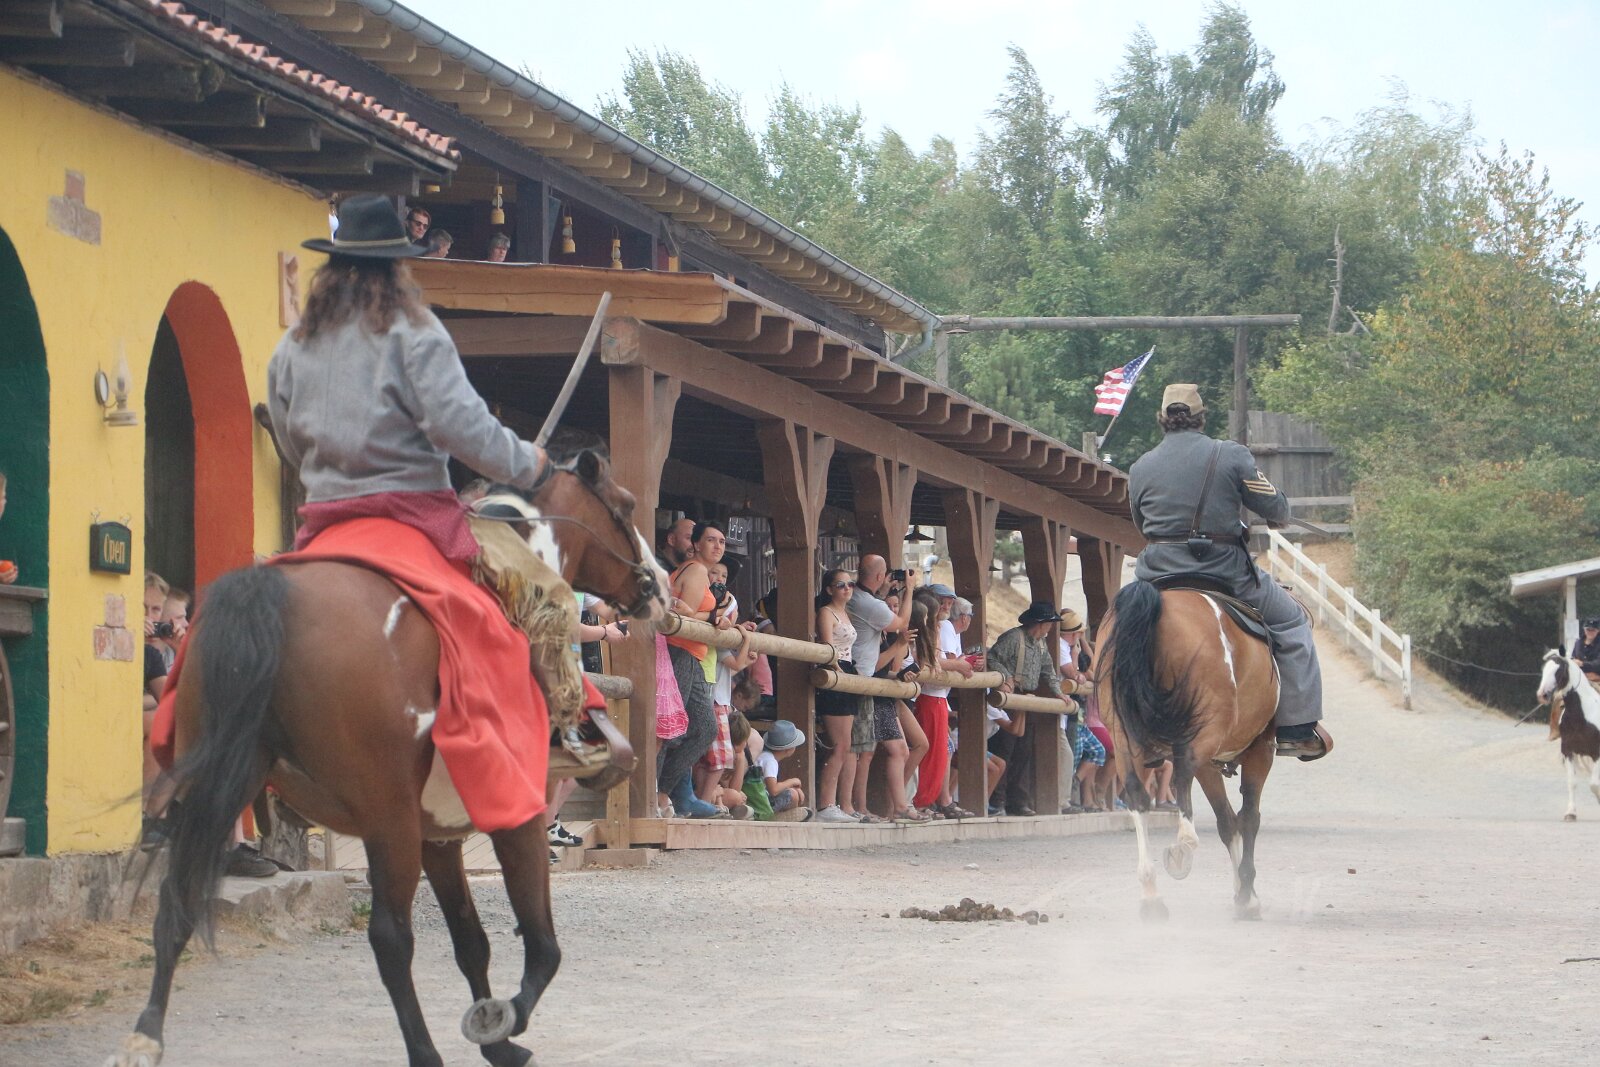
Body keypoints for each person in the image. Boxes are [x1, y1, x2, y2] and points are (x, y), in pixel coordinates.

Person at [261, 194, 578, 838]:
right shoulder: (415, 333)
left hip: (324, 521)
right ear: (395, 268)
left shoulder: (294, 345)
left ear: (334, 269)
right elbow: (463, 429)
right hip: (414, 516)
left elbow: (289, 440)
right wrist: (532, 464)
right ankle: (563, 739)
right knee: (532, 605)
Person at [1127, 384, 1331, 760]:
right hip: (1224, 572)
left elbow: (1141, 525)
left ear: (1162, 419)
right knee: (1293, 622)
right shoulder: (1231, 455)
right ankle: (1297, 729)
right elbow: (1276, 508)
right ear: (1201, 418)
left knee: (1119, 630)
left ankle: (1132, 726)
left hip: (1157, 574)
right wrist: (1277, 515)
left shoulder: (1140, 467)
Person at [660, 521, 735, 818]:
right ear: (697, 544)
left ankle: (665, 793)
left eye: (722, 542)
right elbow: (685, 618)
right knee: (676, 729)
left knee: (702, 728)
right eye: (711, 540)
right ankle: (657, 795)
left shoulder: (696, 571)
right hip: (680, 651)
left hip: (691, 654)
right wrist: (715, 616)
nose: (718, 546)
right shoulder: (696, 570)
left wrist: (715, 617)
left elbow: (692, 613)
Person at [987, 603, 1074, 817]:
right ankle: (997, 800)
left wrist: (1058, 692)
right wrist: (1006, 676)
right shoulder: (1013, 638)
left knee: (1023, 751)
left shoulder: (1041, 644)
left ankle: (1017, 802)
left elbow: (1048, 671)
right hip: (1010, 697)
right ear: (1041, 623)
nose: (1051, 627)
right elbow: (992, 658)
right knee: (1005, 748)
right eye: (1050, 623)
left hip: (1029, 698)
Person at [814, 568, 863, 823]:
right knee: (839, 745)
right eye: (841, 585)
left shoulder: (846, 613)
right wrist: (837, 671)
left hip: (847, 672)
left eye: (850, 584)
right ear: (829, 589)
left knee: (846, 745)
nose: (847, 589)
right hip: (834, 672)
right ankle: (826, 804)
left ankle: (838, 803)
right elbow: (827, 646)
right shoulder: (826, 612)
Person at [745, 718, 810, 821]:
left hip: (754, 798)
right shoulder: (770, 761)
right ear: (789, 749)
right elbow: (773, 790)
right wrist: (792, 782)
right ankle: (775, 816)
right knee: (793, 795)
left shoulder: (763, 755)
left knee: (794, 791)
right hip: (760, 803)